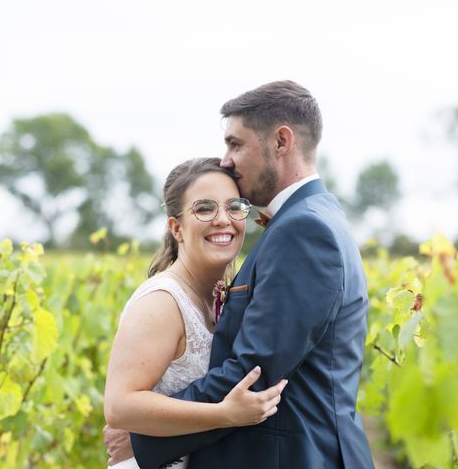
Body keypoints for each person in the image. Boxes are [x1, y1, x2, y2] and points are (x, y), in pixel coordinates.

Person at [128, 81, 375, 468]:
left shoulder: (303, 231)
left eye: (235, 144)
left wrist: (144, 438)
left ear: (281, 141)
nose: (225, 160)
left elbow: (253, 373)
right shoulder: (315, 218)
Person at [103, 157, 288, 469]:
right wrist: (225, 415)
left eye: (234, 207)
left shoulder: (219, 293)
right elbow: (120, 407)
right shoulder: (162, 301)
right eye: (204, 208)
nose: (223, 219)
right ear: (177, 227)